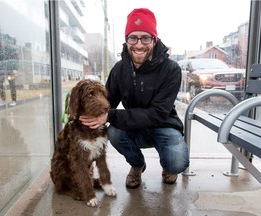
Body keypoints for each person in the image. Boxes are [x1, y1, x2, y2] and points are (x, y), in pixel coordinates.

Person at [79, 8, 189, 189]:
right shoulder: (119, 70)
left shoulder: (171, 70)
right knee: (114, 132)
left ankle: (169, 167)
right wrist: (84, 112)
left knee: (176, 162)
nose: (139, 45)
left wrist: (110, 116)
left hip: (164, 126)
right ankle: (137, 165)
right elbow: (106, 102)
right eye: (133, 38)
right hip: (134, 129)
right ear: (126, 40)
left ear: (154, 40)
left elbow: (157, 114)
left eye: (145, 38)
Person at [0, 35, 19, 106]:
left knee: (12, 84)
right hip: (1, 71)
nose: (3, 42)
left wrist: (15, 69)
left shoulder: (11, 49)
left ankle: (13, 100)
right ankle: (3, 100)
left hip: (10, 70)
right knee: (0, 84)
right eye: (2, 41)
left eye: (4, 41)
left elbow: (15, 59)